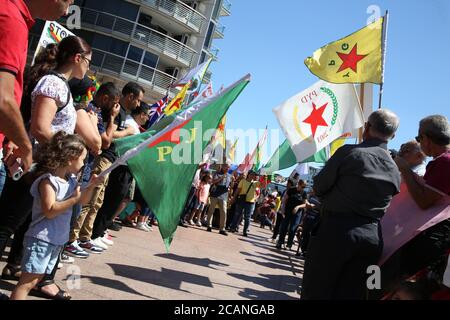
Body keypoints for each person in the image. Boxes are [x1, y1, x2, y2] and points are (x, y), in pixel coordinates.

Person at [0, 35, 92, 299]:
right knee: (7, 223)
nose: (88, 68)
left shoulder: (60, 85)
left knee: (17, 224)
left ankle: (23, 275)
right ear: (77, 59)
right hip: (33, 165)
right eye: (87, 62)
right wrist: (69, 153)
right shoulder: (53, 83)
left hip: (41, 164)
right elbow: (40, 128)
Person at [301, 109, 401, 300]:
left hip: (336, 231)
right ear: (393, 136)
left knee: (316, 290)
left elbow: (320, 187)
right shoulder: (395, 169)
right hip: (371, 237)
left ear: (367, 127)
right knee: (351, 295)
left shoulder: (349, 153)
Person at [9, 132, 102, 300]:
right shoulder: (48, 181)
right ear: (69, 159)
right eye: (82, 159)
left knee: (35, 279)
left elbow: (82, 201)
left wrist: (91, 187)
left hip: (55, 240)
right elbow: (50, 210)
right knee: (27, 282)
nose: (83, 164)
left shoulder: (71, 180)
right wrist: (73, 199)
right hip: (41, 239)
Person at [0, 0, 74, 177]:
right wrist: (26, 146)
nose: (67, 12)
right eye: (69, 2)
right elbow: (3, 98)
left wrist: (12, 135)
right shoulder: (12, 20)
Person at [391, 115, 450, 295]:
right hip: (435, 238)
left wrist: (405, 169)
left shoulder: (445, 162)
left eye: (418, 138)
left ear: (426, 139)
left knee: (398, 281)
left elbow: (424, 201)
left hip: (436, 239)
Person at [66, 82, 121, 256]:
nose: (114, 107)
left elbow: (99, 143)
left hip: (87, 163)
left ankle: (79, 239)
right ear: (105, 98)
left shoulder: (94, 113)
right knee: (79, 205)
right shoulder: (91, 111)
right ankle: (70, 241)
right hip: (81, 164)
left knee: (91, 204)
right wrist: (112, 118)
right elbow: (103, 142)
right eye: (113, 103)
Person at [90, 82, 145, 247]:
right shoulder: (118, 113)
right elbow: (110, 135)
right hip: (106, 159)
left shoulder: (121, 113)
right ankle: (90, 235)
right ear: (130, 96)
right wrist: (128, 133)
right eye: (139, 100)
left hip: (112, 160)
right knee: (95, 202)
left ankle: (95, 233)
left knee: (100, 202)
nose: (139, 104)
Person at [276, 179, 307, 250]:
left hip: (297, 213)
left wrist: (298, 207)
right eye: (302, 186)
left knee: (292, 229)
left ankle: (289, 244)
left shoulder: (304, 193)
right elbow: (284, 200)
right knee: (284, 227)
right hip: (288, 211)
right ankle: (280, 242)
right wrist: (283, 210)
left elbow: (304, 204)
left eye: (304, 187)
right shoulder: (291, 190)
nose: (302, 188)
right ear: (298, 184)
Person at [229, 170, 261, 237]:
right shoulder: (243, 181)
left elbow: (263, 185)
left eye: (254, 175)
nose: (253, 176)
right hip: (241, 200)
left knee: (247, 217)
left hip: (250, 202)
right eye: (251, 174)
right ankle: (232, 228)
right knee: (237, 214)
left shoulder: (255, 183)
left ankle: (245, 231)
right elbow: (238, 190)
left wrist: (266, 177)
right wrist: (234, 198)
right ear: (248, 174)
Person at [206, 164, 231, 236]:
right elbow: (213, 182)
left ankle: (222, 229)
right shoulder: (217, 173)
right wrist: (221, 177)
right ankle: (209, 225)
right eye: (226, 166)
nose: (227, 168)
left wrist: (230, 188)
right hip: (215, 195)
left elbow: (229, 186)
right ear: (223, 166)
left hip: (223, 196)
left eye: (228, 167)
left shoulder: (229, 176)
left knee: (224, 212)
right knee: (211, 210)